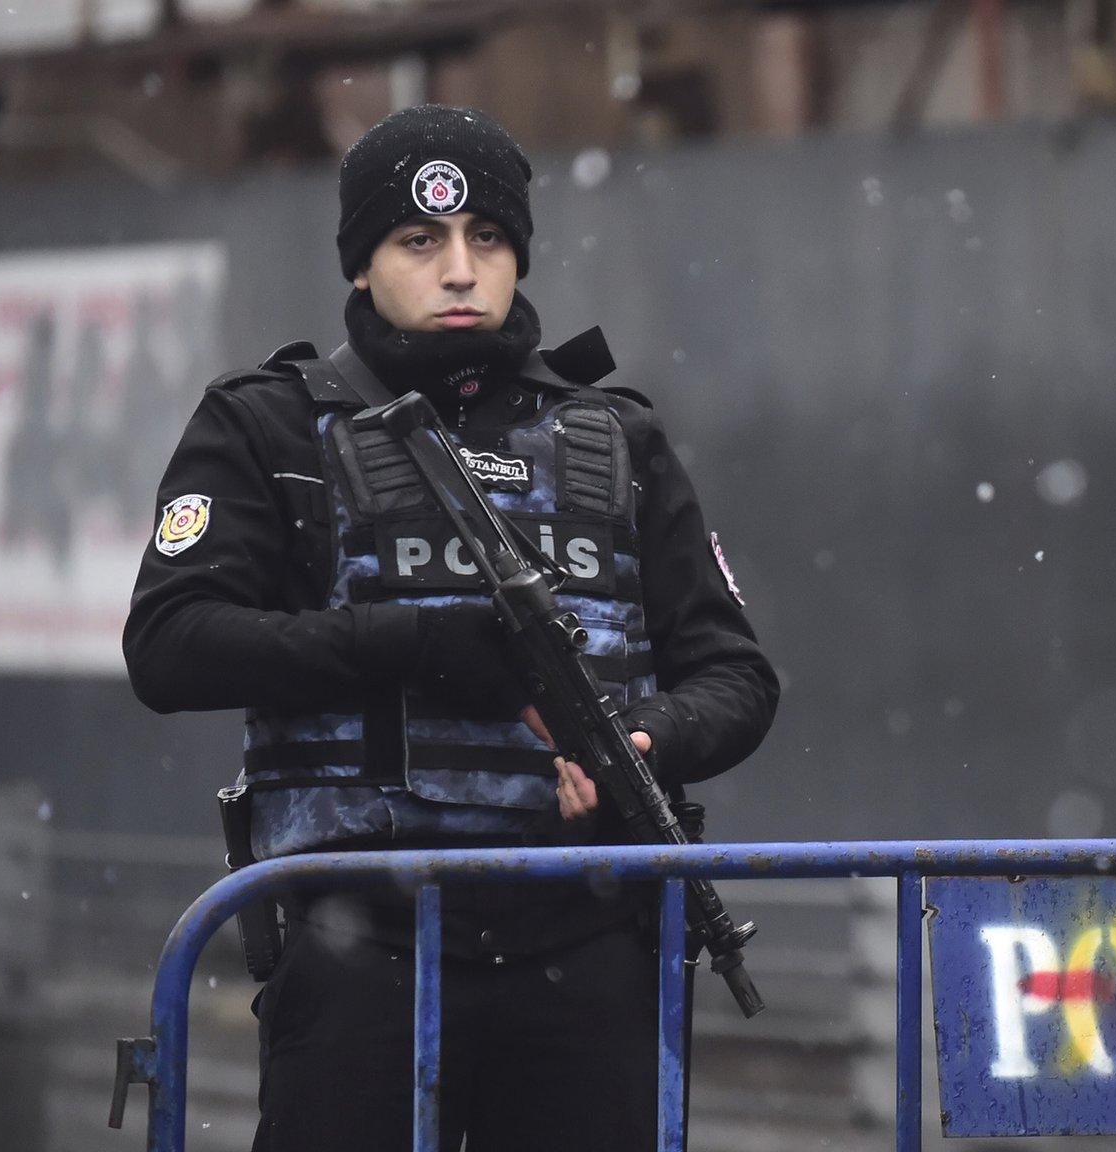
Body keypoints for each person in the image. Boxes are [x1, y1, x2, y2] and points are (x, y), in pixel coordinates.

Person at [122, 104, 778, 1151]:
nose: (460, 270)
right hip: (359, 946)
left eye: (487, 239)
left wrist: (642, 743)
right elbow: (170, 644)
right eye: (419, 241)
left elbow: (736, 677)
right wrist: (413, 648)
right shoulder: (269, 426)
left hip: (587, 938)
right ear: (363, 263)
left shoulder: (616, 439)